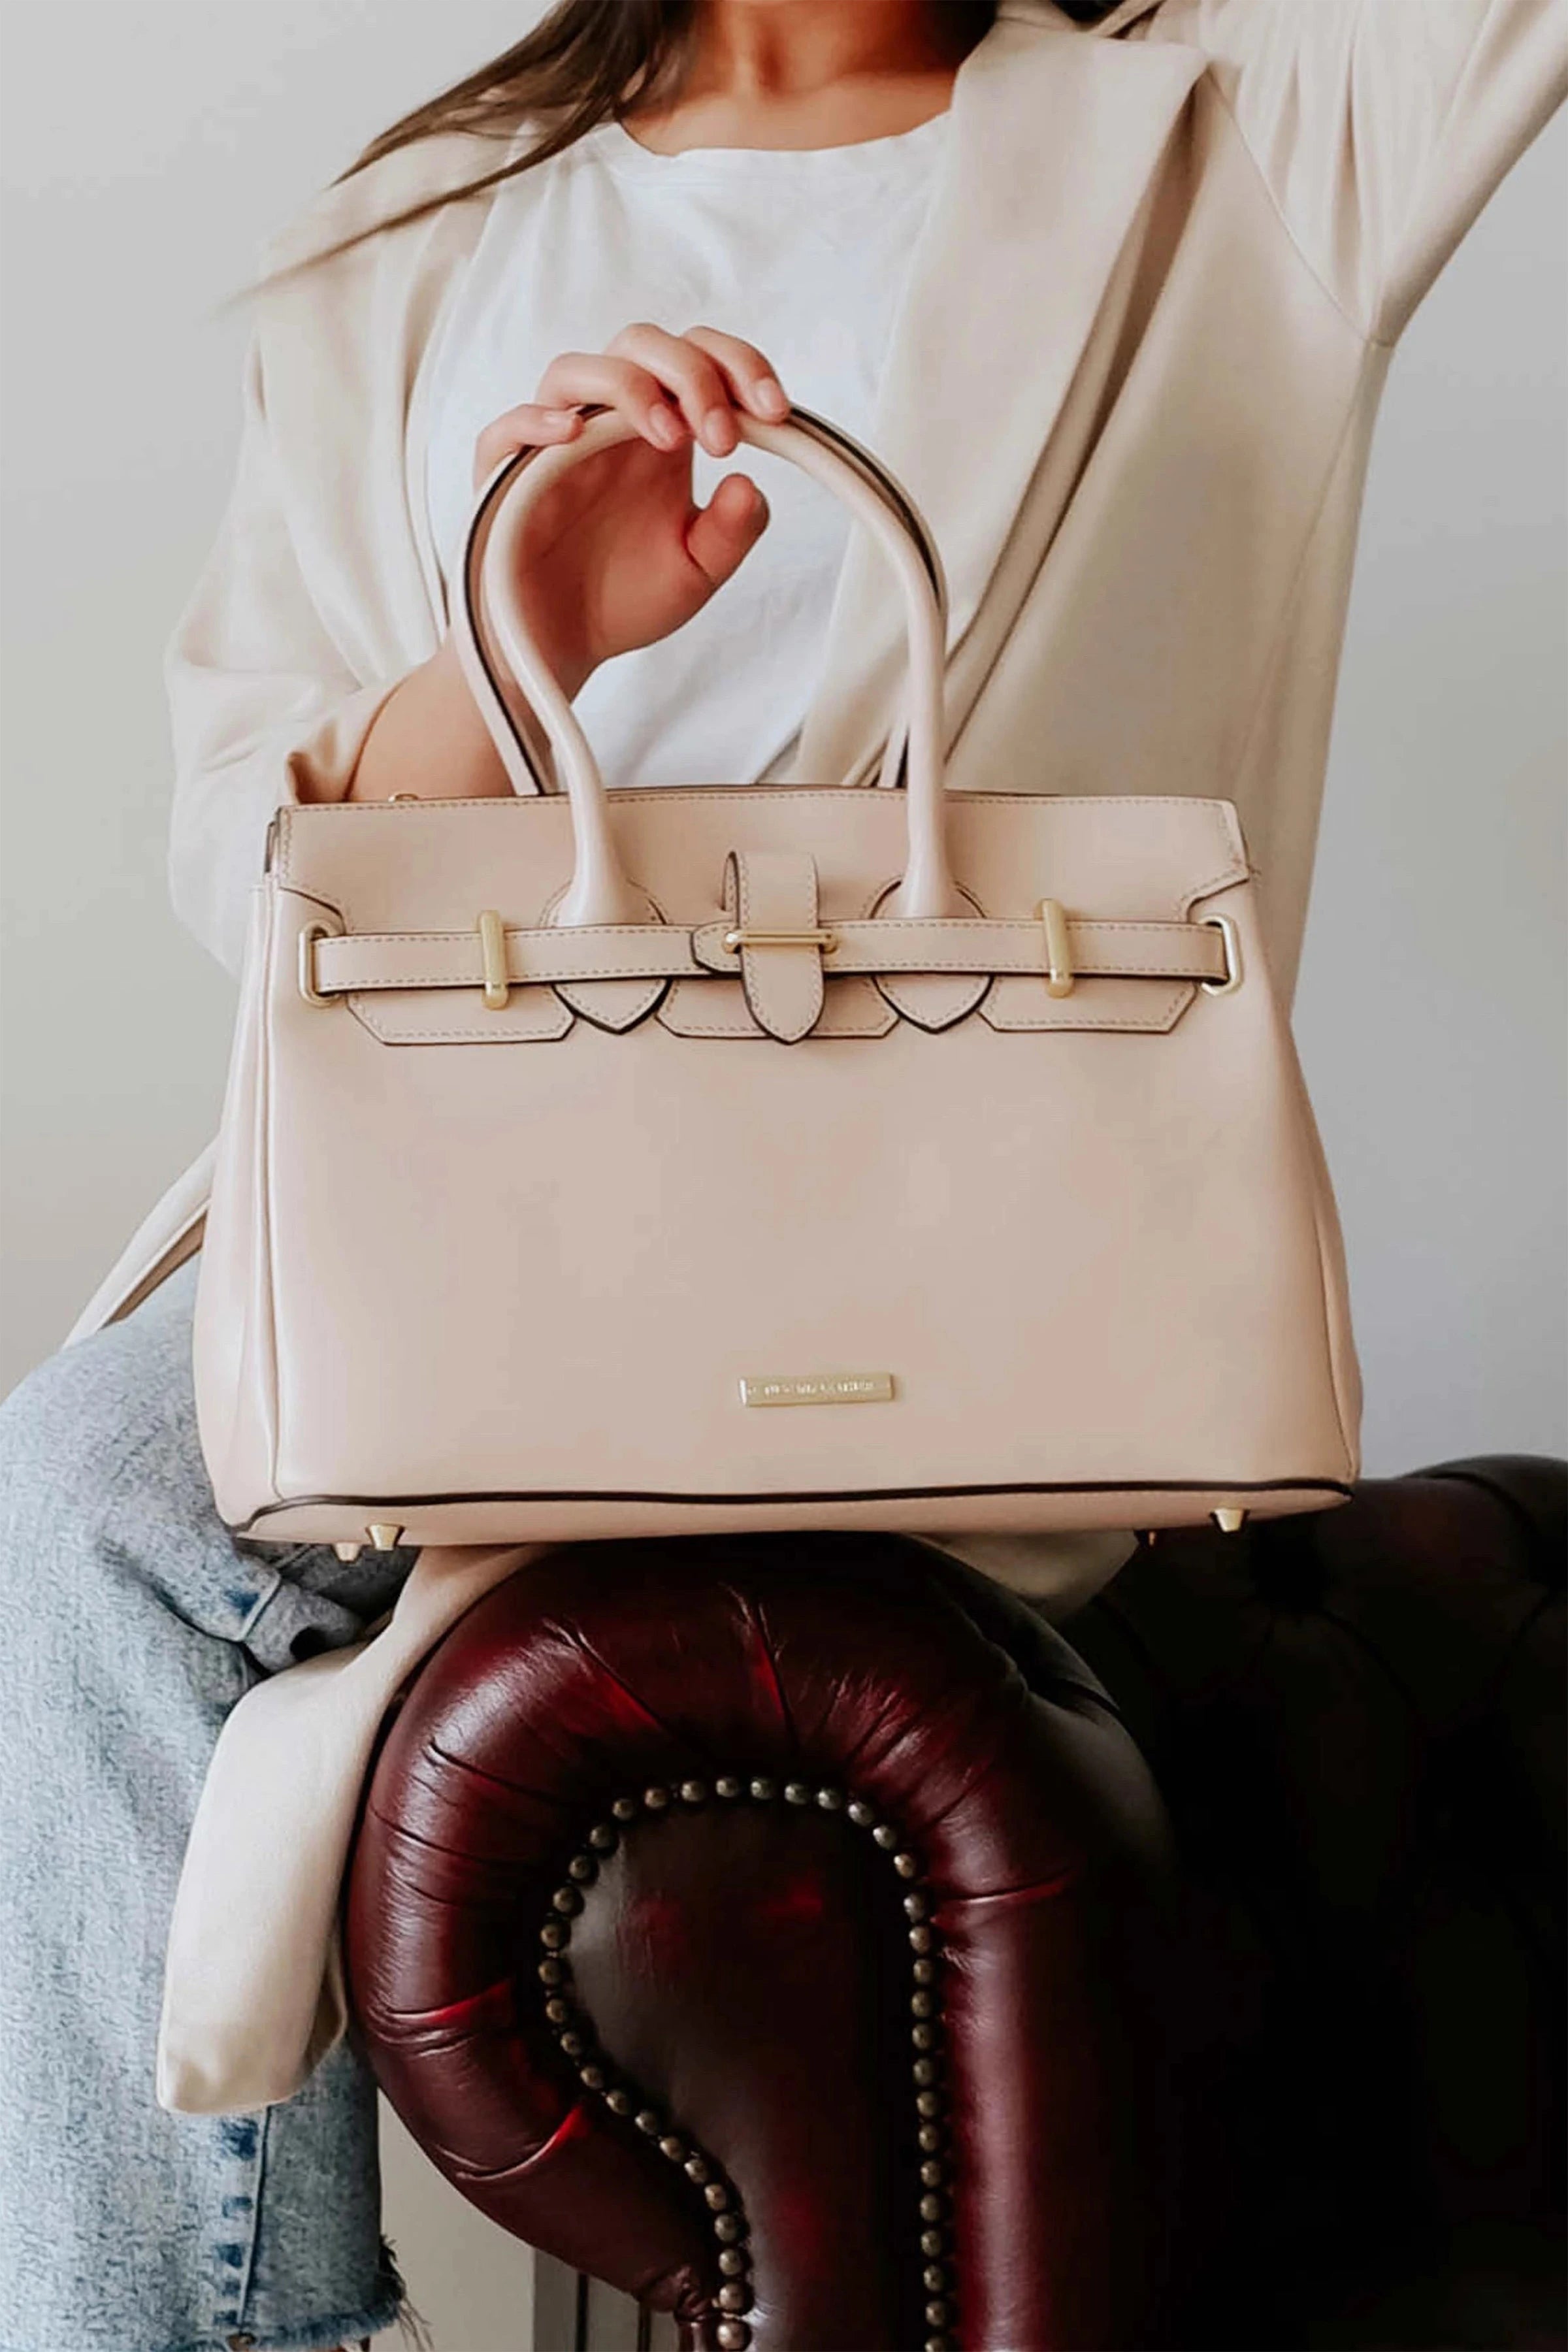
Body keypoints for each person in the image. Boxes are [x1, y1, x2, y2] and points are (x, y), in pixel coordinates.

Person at [1, 1, 1563, 2346]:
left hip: (973, 1272)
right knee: (102, 1481)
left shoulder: (1246, 136)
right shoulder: (410, 239)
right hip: (514, 1231)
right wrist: (510, 643)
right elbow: (260, 874)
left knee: (99, 1493)